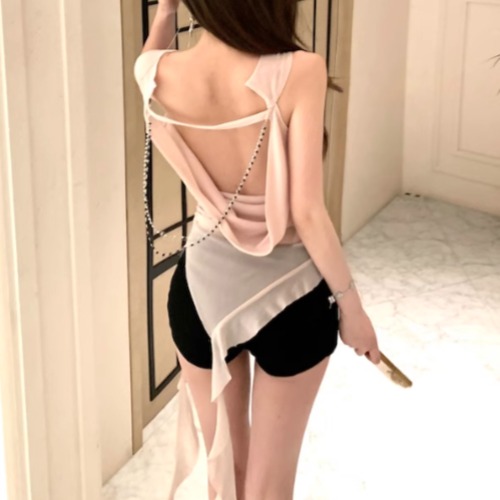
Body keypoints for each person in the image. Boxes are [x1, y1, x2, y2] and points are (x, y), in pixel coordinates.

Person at [134, 1, 381, 499]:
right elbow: (307, 211)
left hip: (201, 295)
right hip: (292, 297)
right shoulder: (301, 70)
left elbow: (149, 55)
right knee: (268, 489)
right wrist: (352, 309)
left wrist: (165, 12)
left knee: (225, 476)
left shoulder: (156, 73)